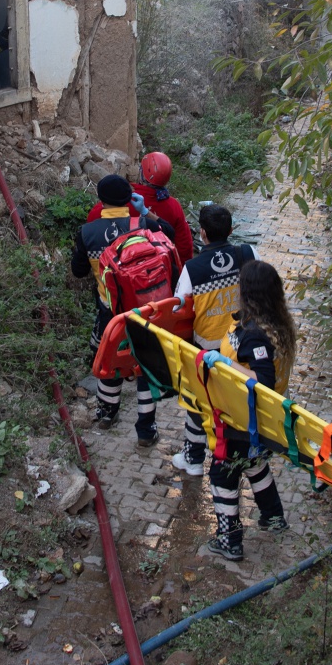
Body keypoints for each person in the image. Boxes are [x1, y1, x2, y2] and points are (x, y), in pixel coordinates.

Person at [72, 174, 178, 441]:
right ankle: (146, 429)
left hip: (109, 312)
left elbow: (77, 271)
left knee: (109, 360)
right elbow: (171, 233)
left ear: (100, 200)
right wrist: (147, 212)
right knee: (145, 365)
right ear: (130, 198)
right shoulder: (142, 223)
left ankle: (107, 414)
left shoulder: (87, 232)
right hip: (144, 309)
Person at [207, 258, 294, 560]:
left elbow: (264, 381)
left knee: (223, 474)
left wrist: (226, 364)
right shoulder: (271, 323)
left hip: (244, 419)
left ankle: (229, 540)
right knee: (255, 463)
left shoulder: (257, 333)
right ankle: (273, 516)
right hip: (259, 418)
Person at [170, 204, 257, 476]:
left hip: (208, 351)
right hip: (244, 347)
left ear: (202, 233)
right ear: (231, 230)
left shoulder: (192, 268)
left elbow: (176, 307)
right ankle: (238, 458)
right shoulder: (248, 253)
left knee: (198, 403)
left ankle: (194, 459)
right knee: (239, 403)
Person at [83, 152, 196, 262]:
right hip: (159, 266)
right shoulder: (174, 206)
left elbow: (92, 223)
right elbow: (184, 246)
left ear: (142, 174)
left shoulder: (126, 200)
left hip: (119, 263)